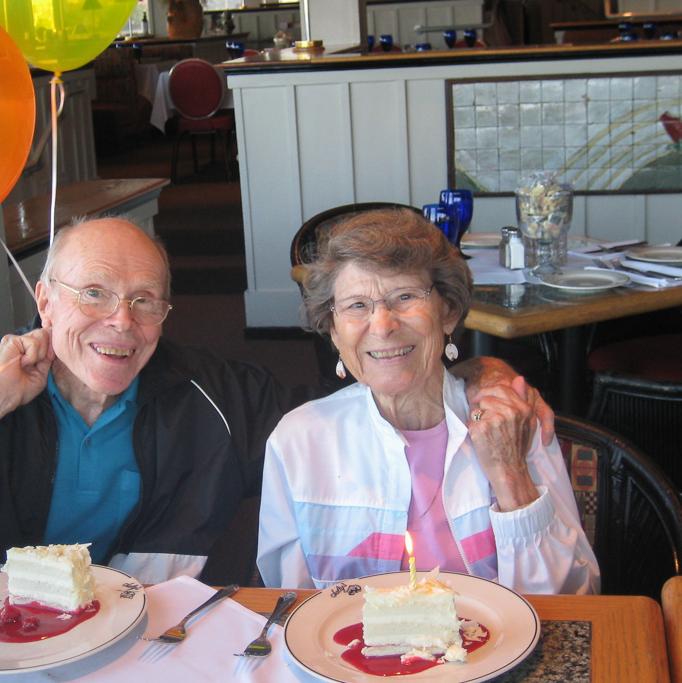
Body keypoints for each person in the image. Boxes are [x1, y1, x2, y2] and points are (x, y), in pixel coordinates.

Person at [0, 215, 555, 584]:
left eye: (145, 301)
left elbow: (362, 393)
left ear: (168, 315)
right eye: (94, 294)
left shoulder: (214, 396)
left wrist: (471, 375)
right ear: (44, 299)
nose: (120, 322)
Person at [257, 208, 599, 594]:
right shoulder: (299, 442)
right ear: (334, 331)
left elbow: (578, 597)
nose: (383, 325)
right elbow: (291, 609)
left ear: (448, 312)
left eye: (405, 297)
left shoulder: (512, 421)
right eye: (357, 306)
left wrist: (511, 477)